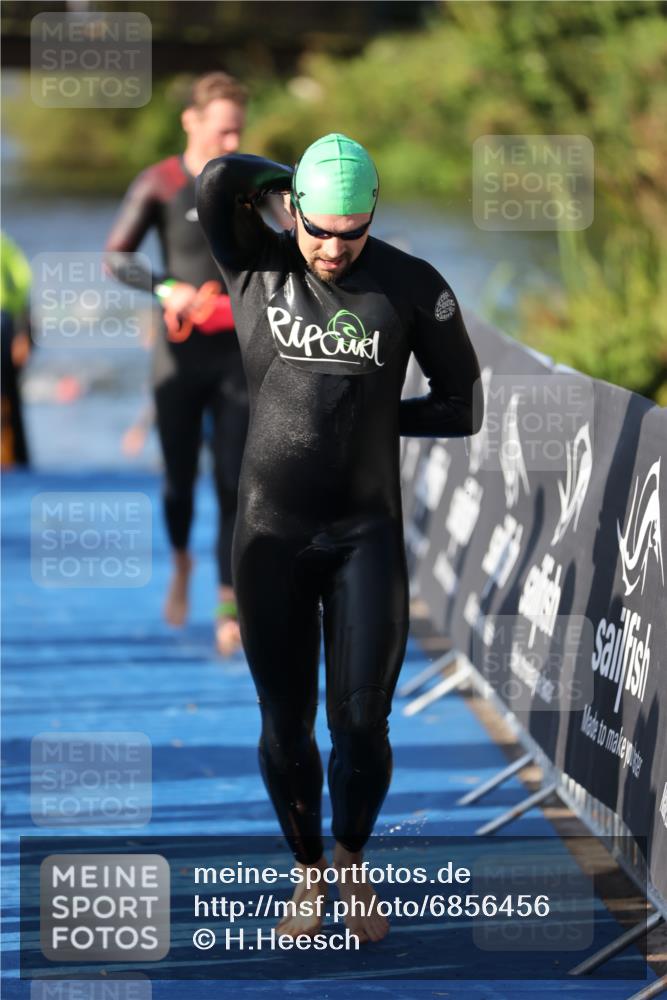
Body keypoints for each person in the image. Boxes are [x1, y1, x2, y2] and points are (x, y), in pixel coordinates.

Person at [196, 133, 482, 942]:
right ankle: (307, 874)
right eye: (317, 226)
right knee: (284, 724)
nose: (330, 246)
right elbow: (221, 177)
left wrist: (374, 418)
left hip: (365, 536)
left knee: (362, 722)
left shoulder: (412, 286)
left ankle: (351, 861)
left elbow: (462, 408)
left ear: (372, 219)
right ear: (294, 212)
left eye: (349, 231)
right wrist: (296, 181)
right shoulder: (258, 262)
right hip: (271, 534)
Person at [105, 72, 249, 655]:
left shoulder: (248, 181)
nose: (234, 144)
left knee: (236, 481)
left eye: (241, 131)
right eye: (224, 131)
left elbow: (295, 236)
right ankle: (183, 560)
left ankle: (227, 601)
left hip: (236, 355)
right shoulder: (161, 182)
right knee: (180, 484)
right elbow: (116, 258)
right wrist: (167, 289)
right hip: (178, 354)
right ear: (191, 122)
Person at [1, 233, 33, 468]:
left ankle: (10, 460)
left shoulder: (3, 244)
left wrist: (24, 332)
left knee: (5, 397)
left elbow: (23, 287)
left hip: (4, 323)